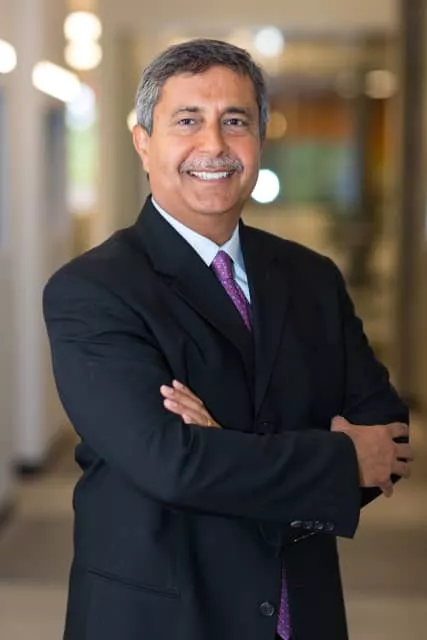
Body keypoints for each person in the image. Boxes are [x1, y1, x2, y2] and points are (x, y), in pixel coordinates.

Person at [43, 39, 413, 640]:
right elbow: (170, 464)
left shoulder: (312, 278)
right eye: (188, 121)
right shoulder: (93, 290)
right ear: (143, 141)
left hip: (303, 613)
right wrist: (337, 459)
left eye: (235, 121)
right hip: (162, 619)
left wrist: (222, 446)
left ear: (259, 139)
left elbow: (387, 439)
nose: (214, 144)